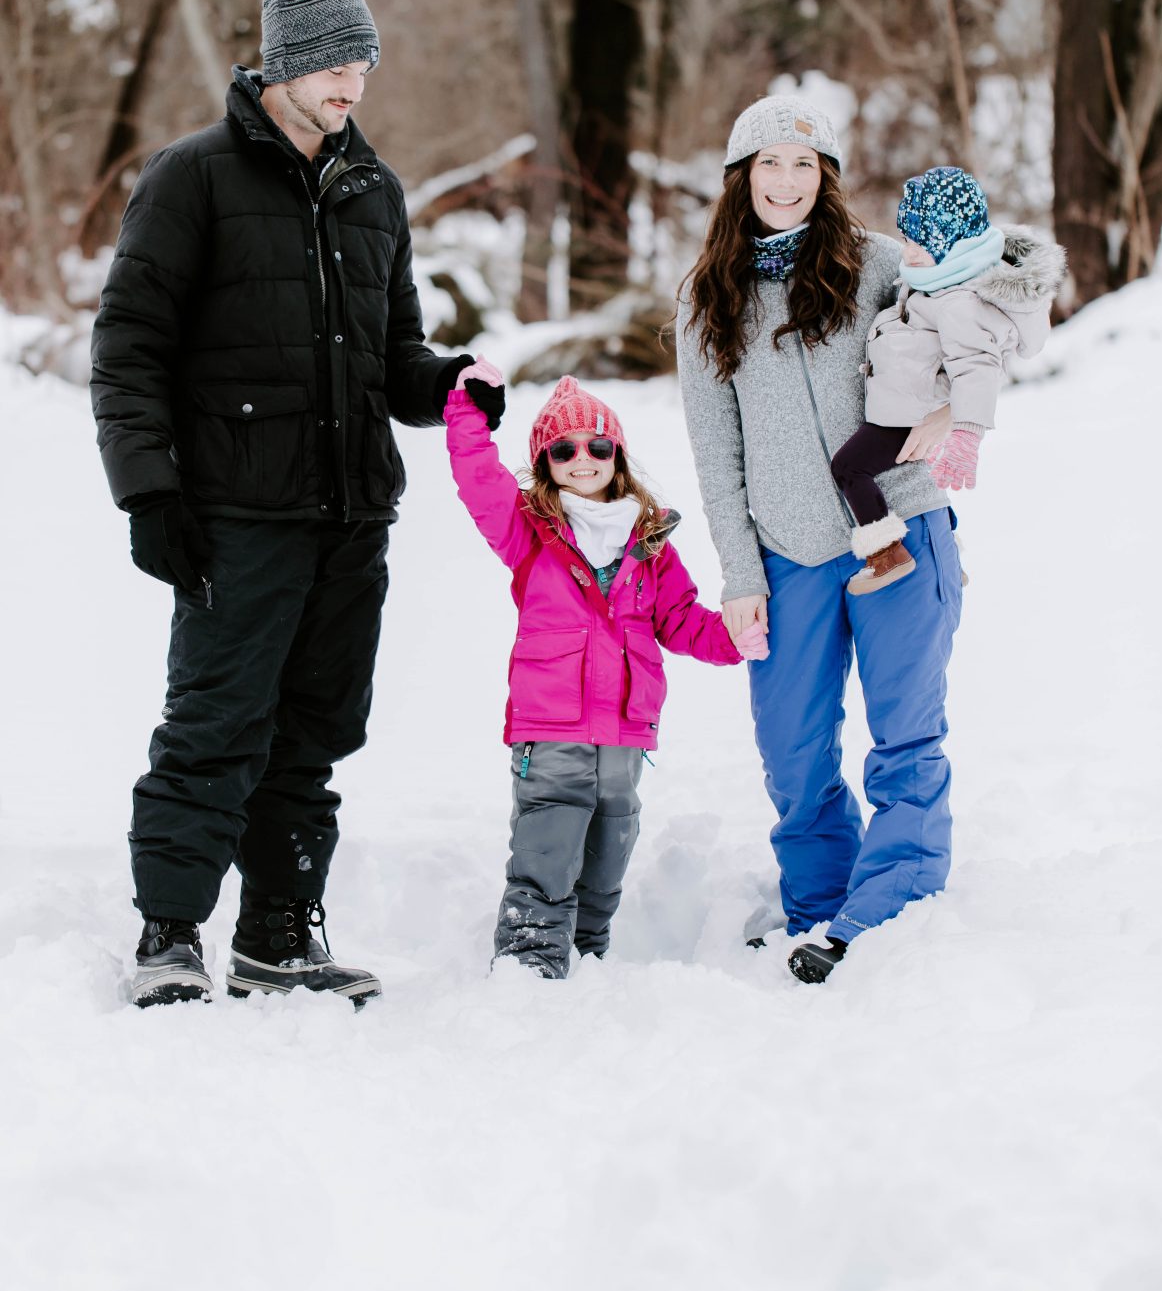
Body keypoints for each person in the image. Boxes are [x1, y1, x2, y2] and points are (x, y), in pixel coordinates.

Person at [91, 0, 503, 1008]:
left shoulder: (377, 192)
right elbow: (129, 347)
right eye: (327, 59)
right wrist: (149, 493)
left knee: (315, 732)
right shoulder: (192, 178)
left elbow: (392, 357)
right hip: (236, 512)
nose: (348, 81)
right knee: (216, 725)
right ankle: (170, 935)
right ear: (279, 64)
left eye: (359, 58)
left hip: (352, 514)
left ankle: (278, 933)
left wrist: (447, 383)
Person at [676, 93, 962, 983]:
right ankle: (820, 907)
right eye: (769, 163)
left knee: (905, 733)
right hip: (789, 550)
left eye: (806, 165)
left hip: (901, 529)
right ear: (741, 177)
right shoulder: (706, 298)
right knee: (793, 753)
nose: (788, 181)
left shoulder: (881, 265)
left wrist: (954, 406)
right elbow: (715, 456)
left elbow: (979, 334)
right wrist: (738, 574)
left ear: (827, 178)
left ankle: (892, 908)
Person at [445, 367, 756, 979]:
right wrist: (467, 413)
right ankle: (529, 968)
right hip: (552, 725)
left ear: (617, 455)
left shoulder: (650, 541)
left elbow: (682, 619)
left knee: (609, 852)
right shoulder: (530, 532)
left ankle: (588, 960)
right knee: (548, 846)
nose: (581, 459)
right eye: (563, 449)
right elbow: (478, 480)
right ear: (545, 462)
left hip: (624, 731)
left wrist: (736, 638)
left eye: (597, 446)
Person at [830, 165, 1066, 592]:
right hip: (907, 407)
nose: (908, 251)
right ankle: (945, 550)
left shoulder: (958, 300)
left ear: (950, 243)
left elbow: (977, 367)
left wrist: (966, 433)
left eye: (919, 242)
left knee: (849, 468)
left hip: (908, 415)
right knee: (915, 483)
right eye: (906, 239)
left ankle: (886, 555)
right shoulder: (938, 281)